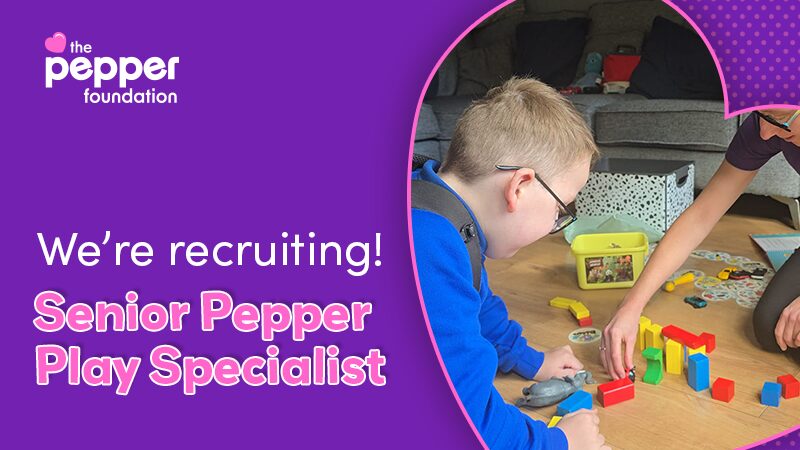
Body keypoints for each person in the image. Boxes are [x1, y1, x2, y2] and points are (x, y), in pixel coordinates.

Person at [412, 78, 609, 450]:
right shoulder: (427, 247)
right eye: (560, 209)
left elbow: (478, 298)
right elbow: (462, 415)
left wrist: (528, 359)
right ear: (519, 186)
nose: (556, 223)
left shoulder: (442, 212)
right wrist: (558, 442)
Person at [600, 109, 800, 380]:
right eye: (760, 115)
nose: (765, 132)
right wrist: (631, 306)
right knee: (773, 327)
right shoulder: (765, 124)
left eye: (779, 121)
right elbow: (701, 215)